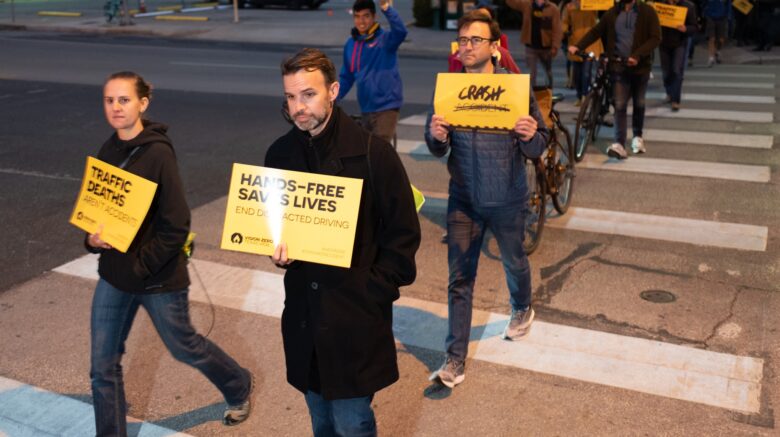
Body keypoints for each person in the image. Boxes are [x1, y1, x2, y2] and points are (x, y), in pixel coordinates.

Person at [86, 71, 253, 436]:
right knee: (102, 367)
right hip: (114, 275)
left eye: (124, 100)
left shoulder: (158, 154)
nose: (115, 107)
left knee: (186, 347)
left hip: (158, 278)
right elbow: (98, 209)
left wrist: (141, 266)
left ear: (143, 103)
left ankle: (238, 385)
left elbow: (177, 225)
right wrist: (92, 239)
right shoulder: (108, 149)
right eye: (109, 100)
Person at [267, 48, 421, 436]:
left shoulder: (374, 154)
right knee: (320, 421)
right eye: (290, 97)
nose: (298, 107)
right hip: (305, 316)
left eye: (308, 95)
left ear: (333, 90)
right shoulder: (279, 154)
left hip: (354, 320)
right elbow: (274, 226)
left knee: (352, 423)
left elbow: (403, 237)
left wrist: (373, 290)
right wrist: (279, 253)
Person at [425, 11, 549, 389]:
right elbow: (436, 147)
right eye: (462, 41)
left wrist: (530, 135)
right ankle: (455, 360)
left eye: (474, 40)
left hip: (507, 198)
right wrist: (436, 134)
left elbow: (540, 143)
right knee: (459, 279)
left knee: (514, 260)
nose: (466, 47)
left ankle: (522, 306)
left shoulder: (514, 87)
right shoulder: (451, 88)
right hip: (463, 199)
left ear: (494, 48)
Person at [568, 0, 660, 159]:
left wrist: (637, 55)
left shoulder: (647, 11)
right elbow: (596, 31)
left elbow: (655, 38)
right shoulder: (613, 12)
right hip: (618, 66)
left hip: (640, 67)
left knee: (639, 103)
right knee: (619, 105)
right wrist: (578, 46)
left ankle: (638, 136)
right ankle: (619, 144)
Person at [338, 0, 407, 144]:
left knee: (380, 152)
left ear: (374, 16)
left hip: (387, 107)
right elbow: (346, 78)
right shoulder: (350, 44)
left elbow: (401, 31)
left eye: (366, 16)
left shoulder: (385, 39)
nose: (361, 21)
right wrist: (331, 99)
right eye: (357, 16)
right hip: (366, 107)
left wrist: (386, 8)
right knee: (368, 153)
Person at [507, 0, 563, 87]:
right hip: (531, 46)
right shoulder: (527, 4)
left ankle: (549, 92)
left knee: (548, 72)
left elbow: (557, 28)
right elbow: (512, 3)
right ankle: (531, 96)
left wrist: (555, 46)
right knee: (531, 73)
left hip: (546, 47)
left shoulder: (553, 8)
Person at [448, 7, 521, 74]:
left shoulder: (512, 83)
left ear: (493, 47)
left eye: (476, 40)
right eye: (463, 40)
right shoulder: (448, 85)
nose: (468, 47)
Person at [658, 0, 698, 111]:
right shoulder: (661, 5)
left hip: (680, 44)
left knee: (676, 70)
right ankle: (669, 93)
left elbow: (694, 27)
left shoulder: (688, 6)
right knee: (666, 72)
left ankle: (676, 100)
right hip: (663, 43)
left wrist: (686, 29)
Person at [562, 0, 604, 106]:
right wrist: (565, 31)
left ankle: (585, 95)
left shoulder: (593, 5)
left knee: (586, 73)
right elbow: (564, 22)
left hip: (591, 44)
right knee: (577, 74)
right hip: (576, 44)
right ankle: (580, 95)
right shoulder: (570, 7)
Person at [702, 0, 732, 67]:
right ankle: (711, 58)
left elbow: (729, 5)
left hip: (722, 18)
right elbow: (703, 3)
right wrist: (704, 13)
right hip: (710, 17)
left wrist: (728, 16)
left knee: (721, 40)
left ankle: (717, 51)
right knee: (711, 38)